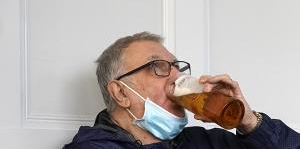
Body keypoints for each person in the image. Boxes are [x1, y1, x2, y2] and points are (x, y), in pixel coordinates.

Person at [64, 32, 300, 149]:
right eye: (158, 67)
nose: (177, 76)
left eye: (177, 67)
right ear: (121, 93)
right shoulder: (91, 147)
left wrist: (248, 121)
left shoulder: (203, 142)